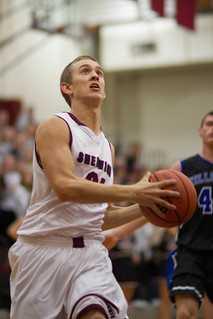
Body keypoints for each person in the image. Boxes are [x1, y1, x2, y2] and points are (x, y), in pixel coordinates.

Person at [8, 55, 180, 319]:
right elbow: (65, 186)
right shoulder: (56, 125)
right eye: (85, 71)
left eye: (99, 72)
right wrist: (134, 191)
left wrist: (149, 205)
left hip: (89, 253)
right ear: (67, 87)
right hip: (43, 251)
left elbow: (102, 216)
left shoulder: (107, 147)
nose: (95, 75)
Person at [168, 111, 213, 319]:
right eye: (209, 124)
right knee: (185, 312)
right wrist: (171, 229)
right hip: (191, 249)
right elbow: (160, 204)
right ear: (200, 131)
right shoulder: (183, 167)